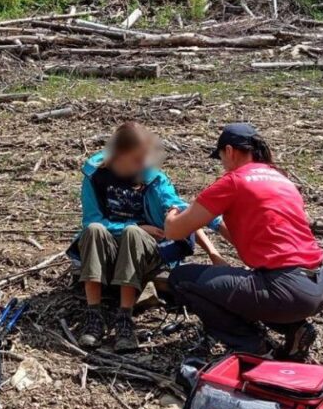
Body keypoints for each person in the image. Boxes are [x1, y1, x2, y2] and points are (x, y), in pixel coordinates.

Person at [163, 123, 323, 360]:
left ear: (229, 151)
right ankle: (295, 330)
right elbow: (257, 237)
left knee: (182, 279)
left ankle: (253, 346)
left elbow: (174, 231)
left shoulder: (233, 181)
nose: (222, 163)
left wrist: (170, 213)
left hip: (285, 290)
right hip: (319, 284)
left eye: (221, 156)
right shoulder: (280, 178)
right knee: (241, 284)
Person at [69, 122, 224, 352]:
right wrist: (135, 225)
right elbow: (92, 219)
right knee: (93, 229)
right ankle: (94, 315)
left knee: (133, 234)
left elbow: (182, 210)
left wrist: (215, 246)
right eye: (136, 159)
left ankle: (124, 318)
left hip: (145, 250)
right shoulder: (95, 174)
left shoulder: (153, 178)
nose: (143, 165)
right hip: (108, 247)